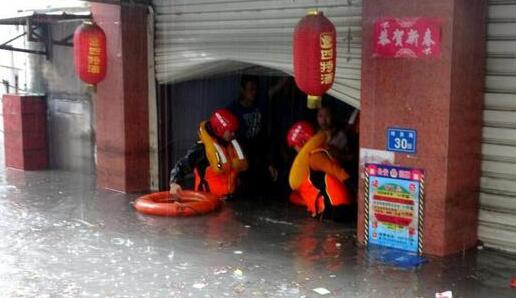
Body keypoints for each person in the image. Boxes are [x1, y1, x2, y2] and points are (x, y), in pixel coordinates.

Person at [169, 108, 247, 198]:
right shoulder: (202, 148)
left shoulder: (231, 146)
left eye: (234, 131)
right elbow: (182, 165)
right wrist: (174, 183)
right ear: (220, 129)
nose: (233, 134)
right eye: (230, 131)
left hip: (230, 200)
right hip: (207, 202)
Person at [287, 121, 354, 222]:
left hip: (336, 209)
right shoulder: (312, 157)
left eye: (294, 146)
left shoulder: (315, 156)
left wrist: (352, 184)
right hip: (331, 209)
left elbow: (335, 170)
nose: (295, 150)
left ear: (302, 142)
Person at [227, 75, 277, 195]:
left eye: (256, 89)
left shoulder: (259, 103)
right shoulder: (233, 109)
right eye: (251, 89)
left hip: (259, 151)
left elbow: (273, 91)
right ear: (242, 90)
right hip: (242, 153)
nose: (254, 93)